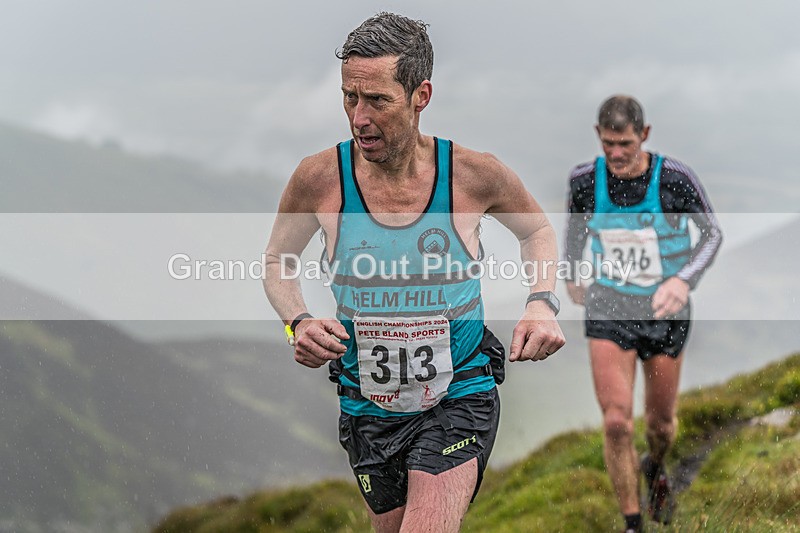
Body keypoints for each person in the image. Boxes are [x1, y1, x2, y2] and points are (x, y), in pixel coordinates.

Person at [263, 12, 564, 533]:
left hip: (460, 393)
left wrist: (541, 301)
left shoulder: (472, 175)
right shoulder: (319, 180)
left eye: (377, 100)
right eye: (349, 98)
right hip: (367, 404)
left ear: (420, 95)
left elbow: (536, 230)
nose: (359, 118)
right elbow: (276, 262)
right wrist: (299, 322)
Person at [564, 95, 722, 532]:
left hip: (664, 310)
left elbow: (710, 235)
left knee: (660, 423)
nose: (616, 153)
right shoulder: (583, 180)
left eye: (626, 144)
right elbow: (575, 229)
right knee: (616, 422)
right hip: (609, 305)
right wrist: (571, 273)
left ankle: (655, 463)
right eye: (609, 143)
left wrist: (681, 281)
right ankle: (633, 523)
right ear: (598, 136)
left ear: (644, 136)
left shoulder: (674, 178)